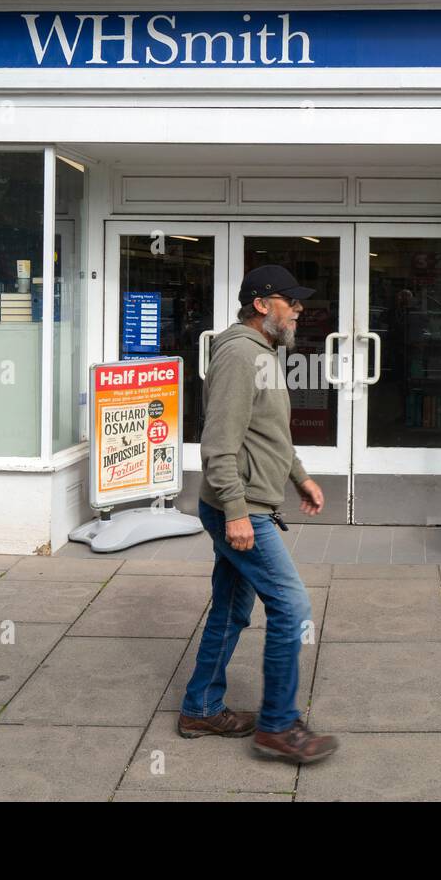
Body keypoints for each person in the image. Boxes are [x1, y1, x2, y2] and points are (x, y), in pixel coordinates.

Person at [178, 264, 339, 764]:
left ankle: (201, 707)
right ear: (262, 304)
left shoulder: (264, 355)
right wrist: (236, 511)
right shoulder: (240, 357)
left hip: (251, 501)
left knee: (229, 610)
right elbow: (219, 444)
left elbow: (268, 432)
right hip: (242, 507)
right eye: (292, 302)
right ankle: (277, 727)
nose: (299, 311)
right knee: (292, 608)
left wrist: (300, 476)